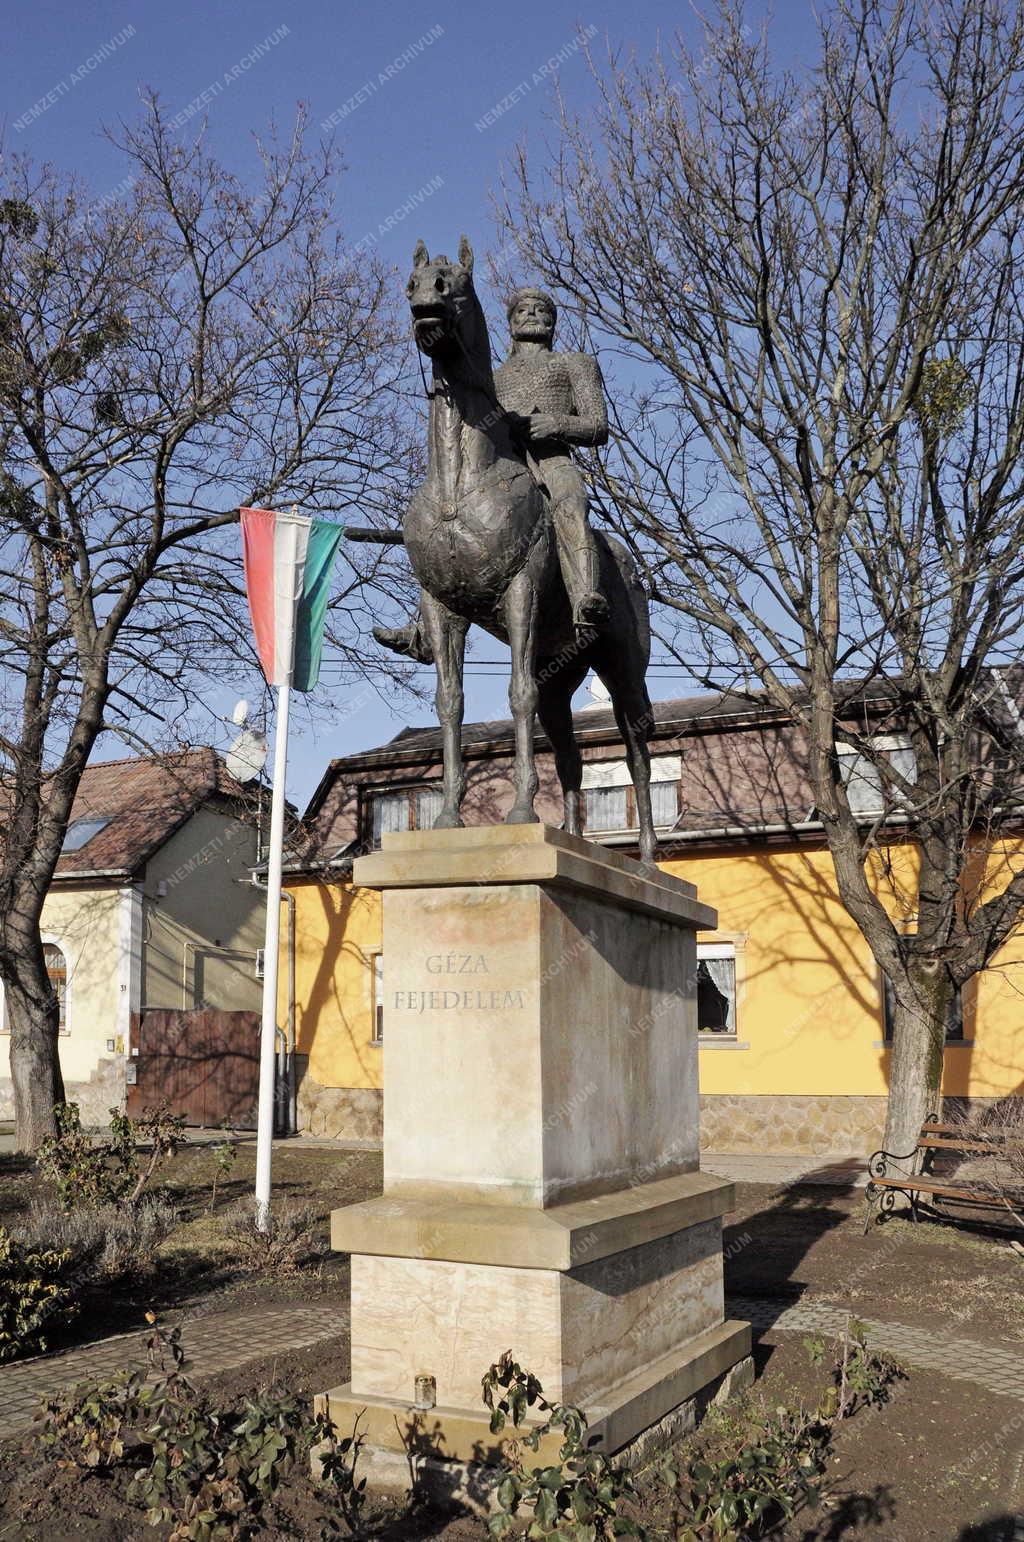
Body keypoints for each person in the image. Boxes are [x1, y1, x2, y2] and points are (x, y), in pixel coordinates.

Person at [374, 285, 610, 662]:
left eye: (540, 309)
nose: (531, 314)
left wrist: (556, 423)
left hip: (551, 461)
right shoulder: (494, 377)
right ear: (511, 323)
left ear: (552, 321)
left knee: (570, 500)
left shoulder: (575, 363)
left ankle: (585, 596)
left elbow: (598, 426)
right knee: (442, 519)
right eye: (522, 310)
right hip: (503, 469)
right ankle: (424, 628)